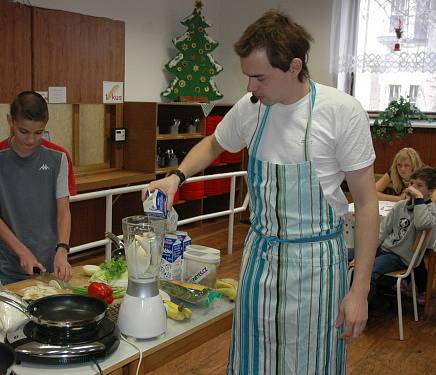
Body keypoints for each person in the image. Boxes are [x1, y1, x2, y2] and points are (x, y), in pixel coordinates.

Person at [150, 10, 379, 374]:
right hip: (260, 259)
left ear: (293, 66)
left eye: (259, 77)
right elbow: (213, 143)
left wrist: (359, 290)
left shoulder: (341, 112)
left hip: (317, 266)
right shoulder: (251, 109)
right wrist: (176, 176)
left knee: (310, 362)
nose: (250, 88)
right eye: (248, 77)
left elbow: (367, 205)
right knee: (252, 360)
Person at [0, 91, 76, 286]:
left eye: (38, 132)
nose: (30, 140)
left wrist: (62, 250)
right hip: (6, 265)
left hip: (48, 263)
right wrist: (22, 251)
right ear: (10, 120)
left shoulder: (58, 157)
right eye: (23, 131)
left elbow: (63, 211)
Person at [351, 166, 436, 303]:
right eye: (412, 183)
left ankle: (363, 308)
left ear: (431, 191)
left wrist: (419, 199)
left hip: (400, 257)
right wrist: (367, 252)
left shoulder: (431, 211)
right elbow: (382, 232)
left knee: (366, 272)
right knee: (344, 255)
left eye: (419, 186)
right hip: (385, 249)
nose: (413, 188)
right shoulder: (400, 206)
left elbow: (422, 223)